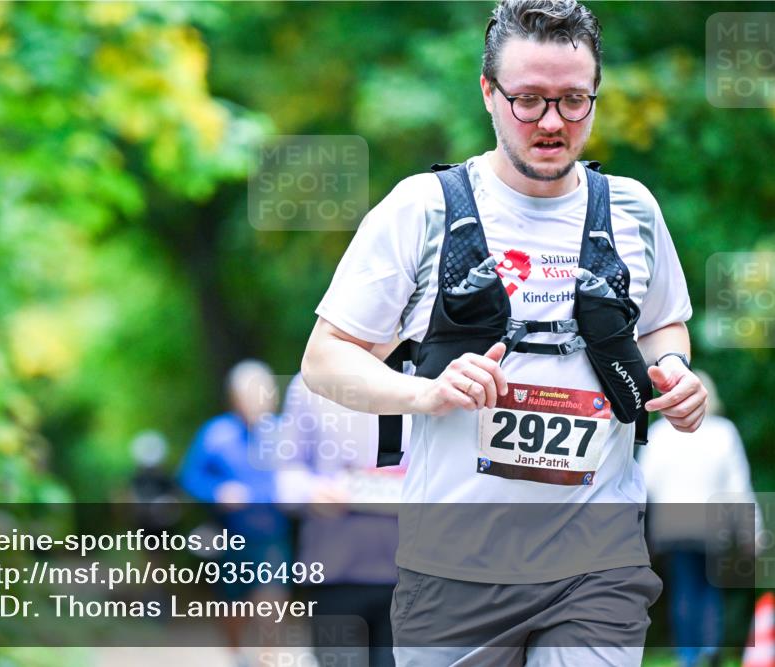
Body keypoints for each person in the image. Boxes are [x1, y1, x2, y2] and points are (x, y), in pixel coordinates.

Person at [300, 1, 708, 665]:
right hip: (454, 569)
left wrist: (676, 373)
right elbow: (324, 359)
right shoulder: (421, 209)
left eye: (574, 100)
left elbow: (666, 326)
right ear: (489, 93)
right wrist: (425, 394)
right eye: (529, 100)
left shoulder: (633, 210)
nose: (552, 122)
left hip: (596, 563)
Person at [272, 373, 406, 667]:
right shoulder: (310, 383)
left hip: (411, 579)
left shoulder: (428, 371)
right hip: (334, 571)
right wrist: (312, 491)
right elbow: (285, 477)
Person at [639, 371, 760, 667]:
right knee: (709, 588)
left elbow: (645, 483)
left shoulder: (659, 434)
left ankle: (688, 655)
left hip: (672, 523)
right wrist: (753, 532)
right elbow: (737, 486)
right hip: (710, 523)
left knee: (683, 587)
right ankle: (709, 648)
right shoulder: (723, 432)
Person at [178, 360, 292, 667]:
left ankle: (270, 658)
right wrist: (217, 492)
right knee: (233, 603)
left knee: (272, 599)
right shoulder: (215, 434)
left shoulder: (284, 434)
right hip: (229, 535)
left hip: (271, 532)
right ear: (234, 397)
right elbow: (189, 478)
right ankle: (235, 655)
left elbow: (301, 477)